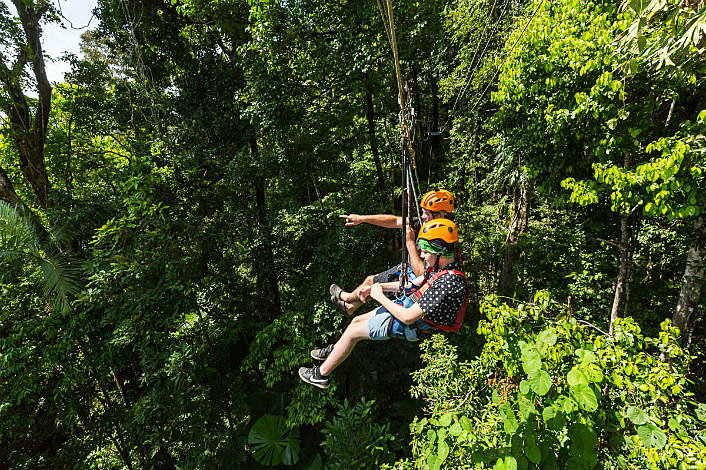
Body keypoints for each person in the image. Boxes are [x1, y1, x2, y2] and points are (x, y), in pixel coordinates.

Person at [299, 218, 467, 389]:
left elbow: (408, 317)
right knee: (355, 321)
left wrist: (379, 296)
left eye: (425, 252)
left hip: (411, 323)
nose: (421, 256)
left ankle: (321, 375)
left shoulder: (449, 282)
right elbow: (411, 285)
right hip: (406, 305)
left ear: (439, 251)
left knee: (353, 332)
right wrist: (376, 287)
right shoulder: (440, 268)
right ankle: (335, 351)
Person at [330, 190, 455, 316]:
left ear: (439, 215)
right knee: (373, 282)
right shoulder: (431, 224)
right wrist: (361, 219)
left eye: (426, 213)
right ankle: (349, 307)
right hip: (412, 269)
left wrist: (410, 243)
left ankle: (347, 297)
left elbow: (422, 275)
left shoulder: (442, 238)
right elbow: (395, 221)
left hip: (417, 283)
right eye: (422, 212)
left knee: (371, 281)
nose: (422, 217)